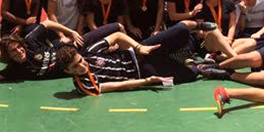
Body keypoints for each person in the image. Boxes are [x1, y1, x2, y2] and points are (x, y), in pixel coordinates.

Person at [58, 26, 200, 95]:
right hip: (143, 72)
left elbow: (118, 35)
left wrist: (139, 47)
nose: (82, 65)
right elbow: (119, 86)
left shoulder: (90, 52)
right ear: (68, 71)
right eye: (75, 67)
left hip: (139, 53)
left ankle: (198, 33)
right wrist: (147, 81)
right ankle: (196, 65)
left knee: (182, 30)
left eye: (80, 60)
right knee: (191, 75)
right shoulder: (84, 85)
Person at [0, 19, 100, 82]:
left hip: (73, 49)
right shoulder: (15, 70)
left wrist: (71, 33)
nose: (19, 51)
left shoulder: (30, 43)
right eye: (13, 51)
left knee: (109, 30)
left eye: (19, 47)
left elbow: (47, 23)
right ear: (8, 55)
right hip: (75, 66)